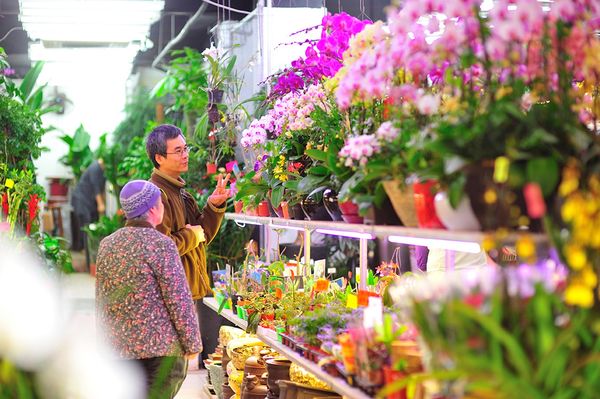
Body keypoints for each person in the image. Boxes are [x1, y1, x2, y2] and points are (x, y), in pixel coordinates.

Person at [95, 180, 201, 399]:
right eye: (160, 202)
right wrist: (192, 343)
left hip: (119, 353)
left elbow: (102, 300)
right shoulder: (161, 244)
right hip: (161, 355)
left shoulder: (107, 244)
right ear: (153, 208)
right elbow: (178, 299)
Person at [146, 124, 230, 367]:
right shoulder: (156, 195)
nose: (185, 155)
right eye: (178, 150)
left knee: (178, 367)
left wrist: (214, 206)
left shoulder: (181, 193)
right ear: (159, 158)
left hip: (188, 288)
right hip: (172, 294)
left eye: (186, 148)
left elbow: (201, 235)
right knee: (170, 368)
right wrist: (191, 236)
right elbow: (160, 248)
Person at [71, 159, 106, 253]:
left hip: (89, 202)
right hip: (81, 200)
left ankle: (89, 251)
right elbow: (96, 188)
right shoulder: (95, 168)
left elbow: (101, 189)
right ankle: (86, 252)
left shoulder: (102, 170)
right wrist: (101, 204)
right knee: (85, 225)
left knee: (91, 225)